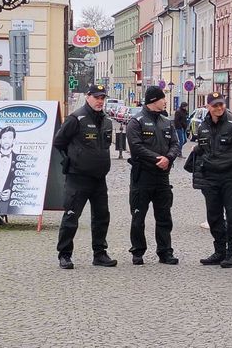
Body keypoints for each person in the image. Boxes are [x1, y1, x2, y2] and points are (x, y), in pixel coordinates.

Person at [52, 84, 116, 270]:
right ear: (88, 97)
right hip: (78, 177)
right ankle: (65, 254)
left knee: (101, 217)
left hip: (99, 178)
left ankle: (100, 253)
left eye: (102, 98)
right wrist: (73, 160)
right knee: (71, 216)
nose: (100, 101)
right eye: (96, 97)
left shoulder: (106, 121)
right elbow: (59, 142)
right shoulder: (76, 118)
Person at [188, 92, 232, 268]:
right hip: (211, 178)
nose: (219, 108)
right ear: (208, 107)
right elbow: (203, 148)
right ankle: (219, 251)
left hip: (230, 177)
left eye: (221, 104)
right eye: (215, 105)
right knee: (214, 216)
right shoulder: (203, 126)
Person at [126, 85, 181, 265]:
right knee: (138, 216)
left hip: (162, 178)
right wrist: (158, 158)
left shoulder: (166, 122)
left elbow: (175, 144)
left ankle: (165, 252)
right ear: (153, 100)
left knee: (164, 216)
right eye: (163, 98)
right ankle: (138, 251)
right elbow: (136, 147)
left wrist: (169, 158)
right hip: (142, 176)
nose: (165, 101)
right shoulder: (136, 121)